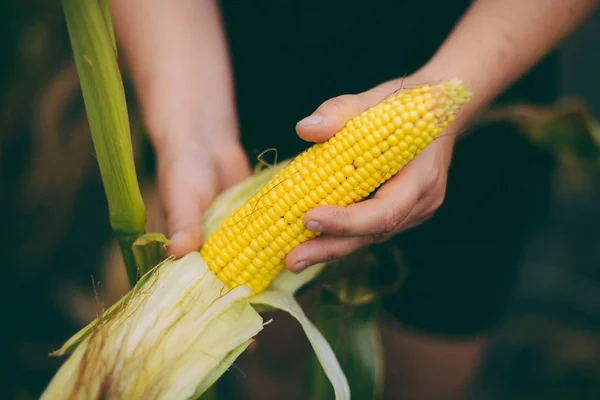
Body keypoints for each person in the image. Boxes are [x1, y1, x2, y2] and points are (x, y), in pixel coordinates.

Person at [110, 0, 598, 398]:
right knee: (261, 368)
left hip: (483, 64)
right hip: (235, 65)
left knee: (417, 375)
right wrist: (190, 130)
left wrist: (462, 84)